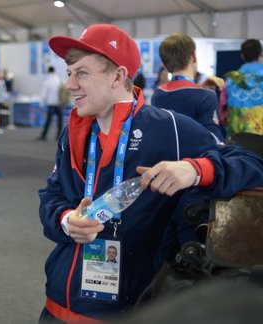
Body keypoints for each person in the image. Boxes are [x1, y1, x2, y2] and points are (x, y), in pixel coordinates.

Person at [38, 24, 263, 322]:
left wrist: (195, 169)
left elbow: (252, 164)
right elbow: (52, 195)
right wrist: (66, 221)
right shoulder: (74, 133)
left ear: (118, 76)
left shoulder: (170, 128)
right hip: (57, 305)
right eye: (69, 72)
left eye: (82, 73)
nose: (70, 84)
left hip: (131, 310)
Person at [151, 33, 225, 141]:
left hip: (166, 157)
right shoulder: (206, 96)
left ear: (164, 64)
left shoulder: (157, 95)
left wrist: (201, 88)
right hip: (195, 157)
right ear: (193, 56)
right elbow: (215, 141)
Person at [220, 38, 263, 138]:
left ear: (242, 56)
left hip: (237, 139)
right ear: (261, 53)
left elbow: (223, 114)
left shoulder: (230, 81)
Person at [37, 66, 63, 141]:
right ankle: (59, 135)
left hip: (51, 103)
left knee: (48, 120)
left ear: (48, 71)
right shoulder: (59, 79)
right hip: (59, 103)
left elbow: (44, 93)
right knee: (60, 120)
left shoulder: (47, 81)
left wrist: (41, 102)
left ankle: (44, 135)